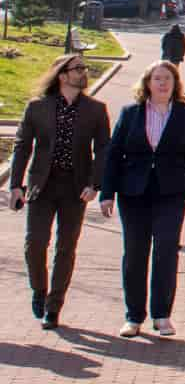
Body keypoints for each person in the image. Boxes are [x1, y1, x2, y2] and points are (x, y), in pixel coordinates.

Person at [99, 60, 185, 339]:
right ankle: (133, 316)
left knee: (165, 250)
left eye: (168, 79)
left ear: (175, 84)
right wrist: (107, 193)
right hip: (133, 192)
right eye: (157, 78)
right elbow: (113, 154)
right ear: (147, 83)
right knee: (134, 253)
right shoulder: (131, 113)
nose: (162, 83)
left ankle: (162, 315)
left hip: (171, 192)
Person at [9, 52, 110, 329]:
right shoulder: (37, 107)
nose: (83, 72)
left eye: (84, 68)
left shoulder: (95, 109)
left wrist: (95, 184)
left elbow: (103, 149)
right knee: (35, 244)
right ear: (62, 75)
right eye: (77, 69)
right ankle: (39, 290)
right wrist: (15, 185)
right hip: (43, 184)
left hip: (75, 187)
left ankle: (54, 307)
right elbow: (22, 147)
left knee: (66, 248)